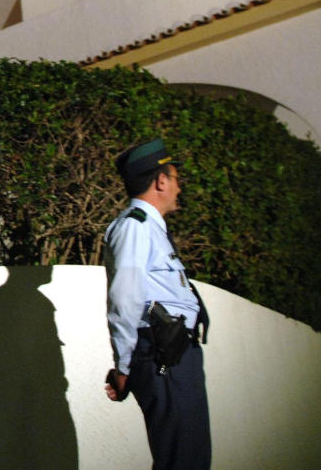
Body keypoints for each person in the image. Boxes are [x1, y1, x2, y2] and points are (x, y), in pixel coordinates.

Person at [103, 138, 210, 470]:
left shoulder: (150, 228)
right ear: (161, 181)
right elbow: (125, 300)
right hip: (163, 356)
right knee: (183, 460)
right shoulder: (134, 227)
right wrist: (124, 368)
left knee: (188, 457)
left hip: (176, 356)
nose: (178, 188)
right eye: (175, 178)